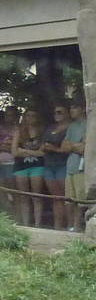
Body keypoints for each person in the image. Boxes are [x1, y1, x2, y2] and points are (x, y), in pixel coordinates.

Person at [11, 109, 51, 228]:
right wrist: (34, 152)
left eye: (33, 115)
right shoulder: (19, 131)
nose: (30, 118)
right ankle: (25, 223)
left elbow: (43, 153)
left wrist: (23, 151)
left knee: (37, 195)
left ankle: (37, 224)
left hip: (37, 166)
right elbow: (14, 152)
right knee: (23, 196)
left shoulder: (42, 131)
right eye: (28, 116)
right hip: (21, 166)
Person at [43, 103, 71, 230]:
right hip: (49, 164)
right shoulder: (50, 128)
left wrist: (54, 148)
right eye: (55, 112)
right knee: (55, 197)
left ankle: (69, 225)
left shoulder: (71, 127)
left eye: (60, 112)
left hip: (63, 164)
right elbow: (43, 144)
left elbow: (67, 148)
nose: (57, 115)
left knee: (66, 196)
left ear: (67, 113)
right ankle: (57, 226)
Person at [62, 99, 86, 231]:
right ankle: (70, 225)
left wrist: (73, 145)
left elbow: (85, 148)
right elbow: (64, 147)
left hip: (82, 167)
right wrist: (76, 145)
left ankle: (77, 226)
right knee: (69, 199)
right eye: (70, 107)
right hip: (70, 165)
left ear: (83, 109)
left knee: (80, 199)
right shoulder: (71, 126)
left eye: (75, 107)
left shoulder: (89, 124)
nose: (71, 110)